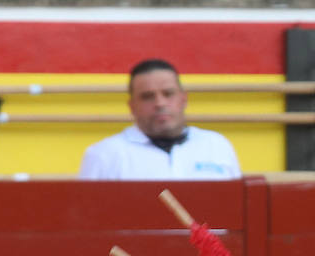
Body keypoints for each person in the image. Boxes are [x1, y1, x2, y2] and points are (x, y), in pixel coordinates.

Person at [79, 59, 241, 181]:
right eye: (147, 96)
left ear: (183, 99)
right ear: (132, 106)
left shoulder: (217, 146)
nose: (160, 103)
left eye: (168, 93)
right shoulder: (103, 155)